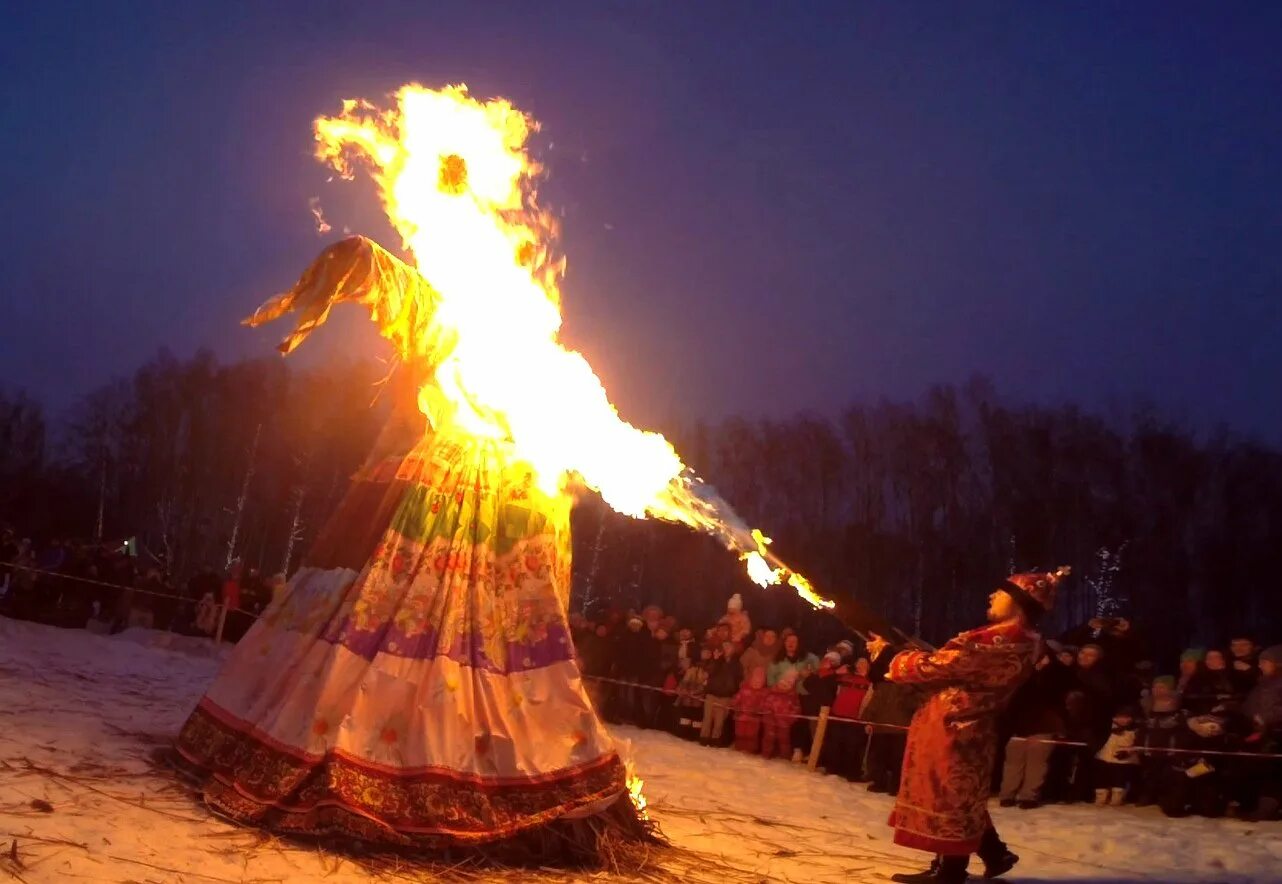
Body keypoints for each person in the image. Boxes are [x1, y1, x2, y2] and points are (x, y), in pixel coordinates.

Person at [171, 236, 651, 858]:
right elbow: (402, 293)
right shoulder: (449, 326)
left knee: (499, 639)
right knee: (396, 631)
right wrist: (361, 261)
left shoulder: (515, 353)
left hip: (496, 489)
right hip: (447, 483)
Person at [876, 567, 1068, 884]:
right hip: (970, 726)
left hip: (956, 726)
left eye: (1001, 592)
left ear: (1018, 602)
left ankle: (950, 872)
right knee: (960, 797)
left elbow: (941, 666)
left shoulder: (1000, 639)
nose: (992, 596)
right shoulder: (1026, 640)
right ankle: (978, 858)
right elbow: (959, 668)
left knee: (949, 798)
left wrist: (890, 657)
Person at [998, 650, 1070, 809]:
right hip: (1018, 726)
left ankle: (1028, 796)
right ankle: (1007, 795)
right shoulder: (1020, 675)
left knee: (1036, 763)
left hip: (1043, 726)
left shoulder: (1055, 676)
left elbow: (1054, 696)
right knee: (1014, 762)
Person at [763, 633, 818, 761]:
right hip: (781, 698)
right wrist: (779, 687)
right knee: (779, 726)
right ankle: (777, 751)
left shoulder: (806, 658)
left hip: (802, 695)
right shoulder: (777, 660)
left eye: (794, 641)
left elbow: (817, 666)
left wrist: (809, 673)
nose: (791, 643)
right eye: (788, 641)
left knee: (801, 723)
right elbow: (770, 681)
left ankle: (799, 750)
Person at [1092, 706, 1140, 805]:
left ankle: (1117, 799)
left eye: (1127, 717)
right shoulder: (1107, 728)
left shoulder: (1135, 730)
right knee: (1102, 779)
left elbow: (1138, 745)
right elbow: (1098, 740)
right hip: (1104, 757)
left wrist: (1128, 752)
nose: (1123, 720)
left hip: (1123, 760)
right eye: (1121, 717)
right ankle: (1100, 798)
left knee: (1119, 780)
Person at [701, 640, 743, 746]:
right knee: (707, 718)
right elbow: (708, 672)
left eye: (728, 646)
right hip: (712, 693)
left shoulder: (737, 664)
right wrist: (715, 660)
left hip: (725, 696)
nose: (726, 649)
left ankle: (715, 739)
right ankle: (704, 738)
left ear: (733, 649)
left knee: (719, 721)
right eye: (724, 646)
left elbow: (738, 679)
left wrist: (733, 692)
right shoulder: (716, 660)